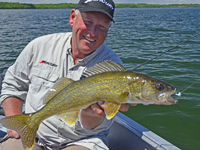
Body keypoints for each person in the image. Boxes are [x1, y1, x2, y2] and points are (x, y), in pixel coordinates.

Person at [0, 0, 133, 150]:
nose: (93, 32)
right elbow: (13, 83)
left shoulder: (114, 67)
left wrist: (91, 116)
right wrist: (17, 124)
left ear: (109, 29)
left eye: (102, 26)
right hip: (37, 136)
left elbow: (94, 128)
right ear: (72, 18)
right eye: (88, 21)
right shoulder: (40, 46)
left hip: (84, 140)